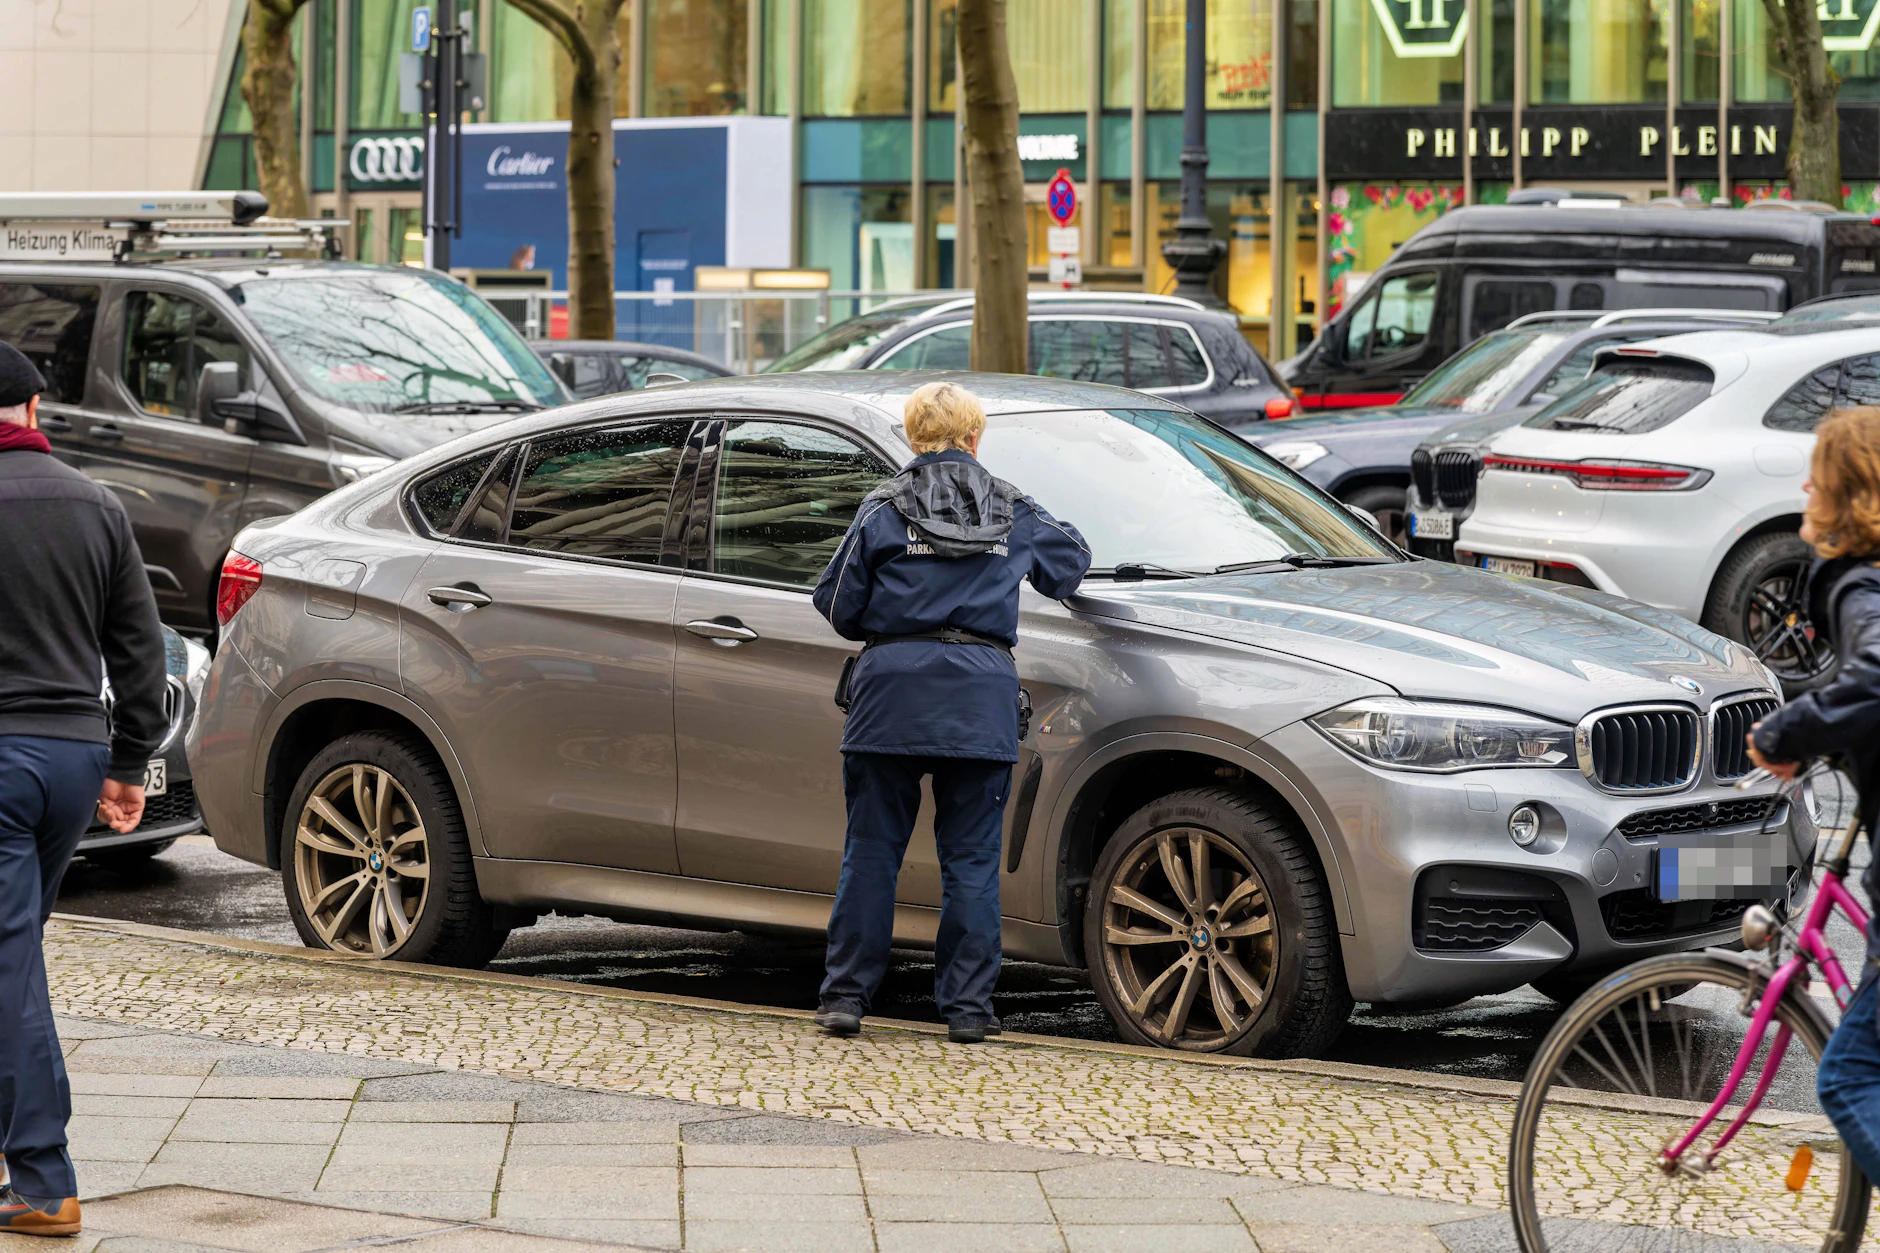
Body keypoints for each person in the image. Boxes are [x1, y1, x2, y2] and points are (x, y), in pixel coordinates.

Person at [811, 381, 1091, 1044]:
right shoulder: (1013, 506)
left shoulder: (881, 506)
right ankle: (967, 1009)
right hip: (979, 700)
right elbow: (1070, 563)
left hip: (890, 699)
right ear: (974, 439)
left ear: (913, 438)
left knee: (872, 852)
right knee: (971, 860)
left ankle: (846, 997)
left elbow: (836, 604)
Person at [0, 342, 166, 1237]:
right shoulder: (95, 503)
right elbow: (138, 647)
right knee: (10, 955)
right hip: (70, 757)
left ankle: (42, 1179)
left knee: (8, 963)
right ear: (34, 411)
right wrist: (128, 762)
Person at [1745, 406, 1880, 1183]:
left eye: (1817, 474)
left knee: (1849, 1075)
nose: (1804, 485)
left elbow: (1876, 676)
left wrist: (1785, 733)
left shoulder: (1859, 586)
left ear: (1845, 494)